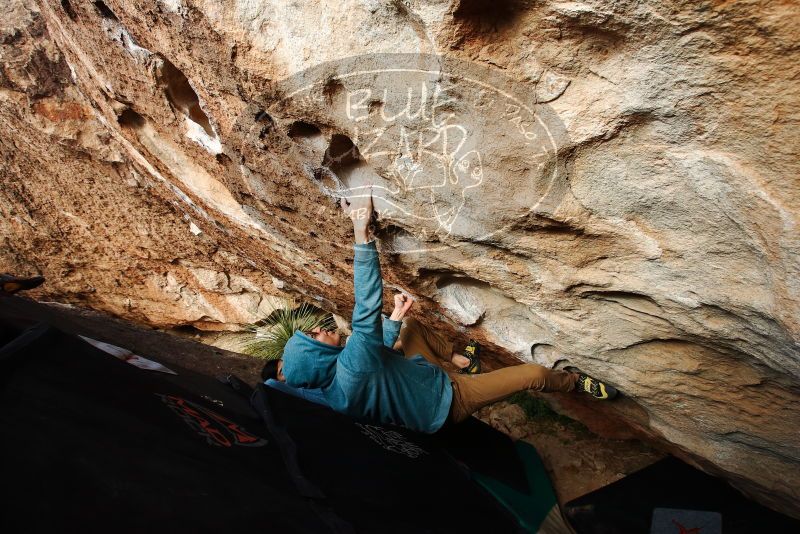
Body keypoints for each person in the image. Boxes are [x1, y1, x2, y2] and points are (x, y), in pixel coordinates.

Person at [270, 189, 617, 433]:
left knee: (409, 330)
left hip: (425, 378)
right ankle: (574, 382)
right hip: (449, 402)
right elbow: (365, 309)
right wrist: (361, 232)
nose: (320, 330)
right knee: (532, 375)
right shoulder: (351, 369)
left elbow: (372, 357)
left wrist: (394, 320)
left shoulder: (338, 385)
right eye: (314, 337)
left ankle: (462, 360)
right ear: (316, 357)